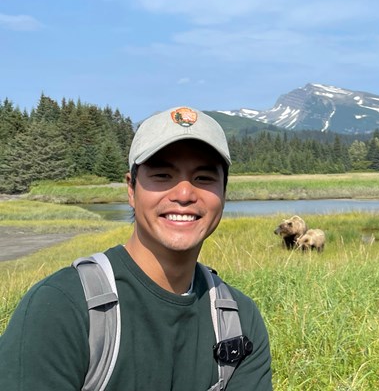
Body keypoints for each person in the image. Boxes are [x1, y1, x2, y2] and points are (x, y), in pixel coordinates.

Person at [0, 106, 273, 390]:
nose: (184, 194)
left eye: (203, 178)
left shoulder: (239, 318)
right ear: (131, 189)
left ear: (224, 193)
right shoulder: (62, 307)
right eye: (162, 175)